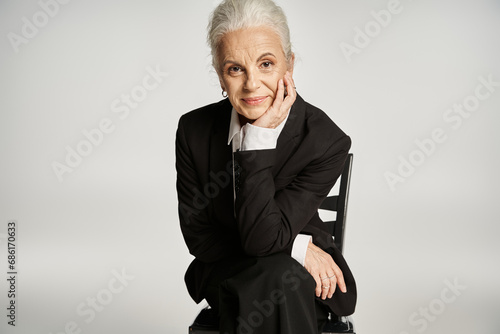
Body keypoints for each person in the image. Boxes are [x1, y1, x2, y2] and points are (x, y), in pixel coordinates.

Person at [176, 0, 356, 333]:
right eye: (235, 69)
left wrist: (256, 139)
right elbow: (200, 239)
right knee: (274, 280)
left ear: (290, 64)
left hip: (309, 280)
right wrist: (298, 247)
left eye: (266, 64)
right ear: (219, 73)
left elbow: (262, 241)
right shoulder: (194, 131)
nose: (252, 84)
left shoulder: (324, 141)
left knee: (276, 280)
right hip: (229, 270)